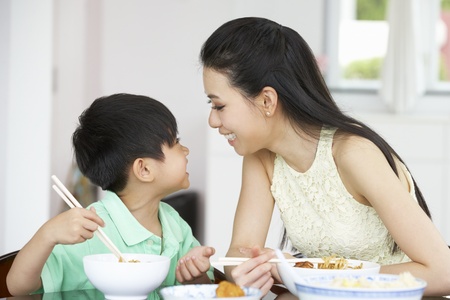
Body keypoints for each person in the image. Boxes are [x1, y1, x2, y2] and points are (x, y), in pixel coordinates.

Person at [200, 17, 450, 296]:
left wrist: (313, 275)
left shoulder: (353, 153)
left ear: (267, 101)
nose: (212, 120)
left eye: (219, 105)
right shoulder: (261, 158)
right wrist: (246, 270)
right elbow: (240, 253)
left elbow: (442, 272)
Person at [7, 93, 215, 298]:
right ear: (144, 169)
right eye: (175, 142)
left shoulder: (174, 225)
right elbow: (18, 288)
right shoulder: (88, 229)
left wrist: (195, 277)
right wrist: (47, 235)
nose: (185, 150)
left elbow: (206, 287)